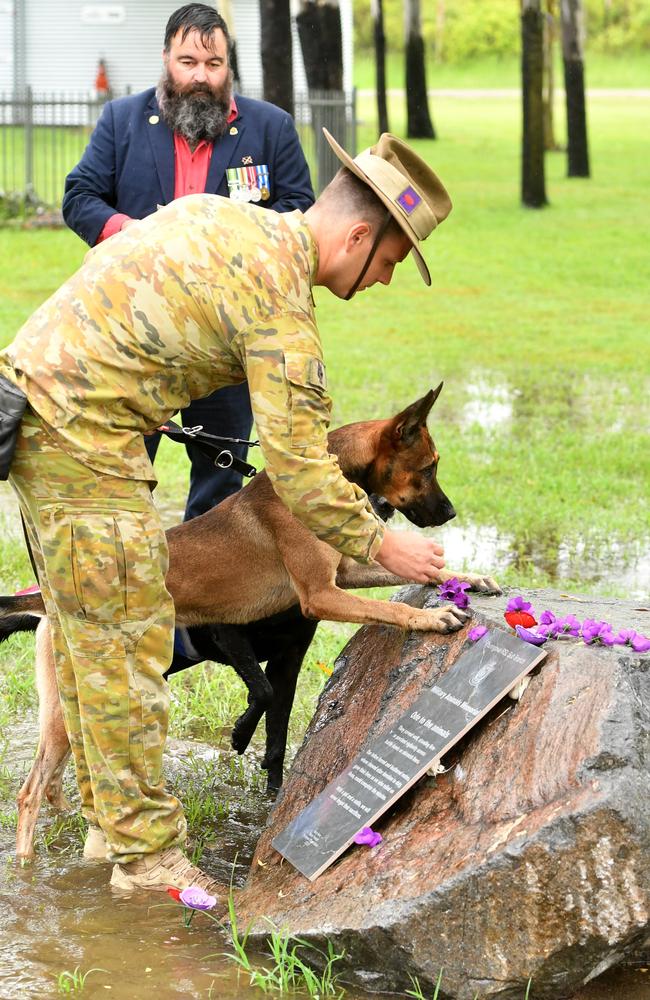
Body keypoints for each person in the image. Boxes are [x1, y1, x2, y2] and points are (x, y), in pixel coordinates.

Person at [0, 127, 453, 897]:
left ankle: (107, 835)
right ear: (355, 235)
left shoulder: (225, 214)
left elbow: (110, 273)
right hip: (82, 444)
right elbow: (303, 471)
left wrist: (124, 386)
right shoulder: (284, 310)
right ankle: (146, 864)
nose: (381, 281)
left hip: (38, 414)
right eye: (388, 263)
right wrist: (385, 544)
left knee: (88, 643)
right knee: (126, 648)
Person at [63, 3, 315, 520]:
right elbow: (80, 196)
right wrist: (135, 236)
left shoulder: (272, 128)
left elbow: (300, 214)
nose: (201, 76)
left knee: (221, 477)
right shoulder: (122, 120)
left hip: (227, 340)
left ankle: (208, 591)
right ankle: (126, 579)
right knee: (123, 471)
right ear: (166, 60)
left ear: (229, 66)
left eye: (214, 64)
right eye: (187, 62)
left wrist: (233, 242)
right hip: (135, 337)